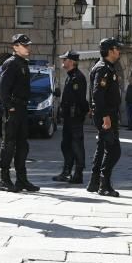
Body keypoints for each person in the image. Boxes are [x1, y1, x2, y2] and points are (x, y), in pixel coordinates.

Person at [0, 34, 39, 193]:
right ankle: (4, 179)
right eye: (24, 45)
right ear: (15, 46)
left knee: (23, 145)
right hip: (14, 108)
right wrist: (9, 106)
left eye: (28, 45)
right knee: (9, 144)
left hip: (22, 108)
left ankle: (22, 180)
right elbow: (3, 87)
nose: (28, 48)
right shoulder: (11, 63)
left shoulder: (22, 63)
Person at [88, 37, 123, 197]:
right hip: (106, 115)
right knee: (114, 150)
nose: (119, 51)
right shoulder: (103, 68)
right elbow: (98, 94)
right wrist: (106, 117)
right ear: (110, 51)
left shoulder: (107, 67)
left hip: (107, 113)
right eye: (117, 48)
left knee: (103, 147)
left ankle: (94, 182)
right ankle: (104, 184)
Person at [52, 50, 87, 184]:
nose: (63, 61)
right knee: (66, 145)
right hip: (68, 117)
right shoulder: (70, 76)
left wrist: (79, 115)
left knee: (76, 145)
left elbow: (80, 100)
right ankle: (66, 172)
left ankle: (78, 174)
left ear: (71, 62)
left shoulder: (77, 77)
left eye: (65, 59)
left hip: (74, 117)